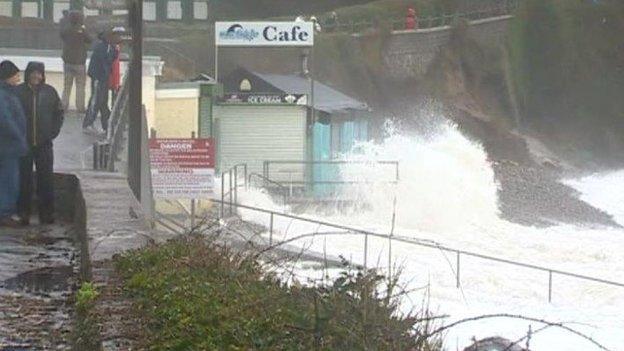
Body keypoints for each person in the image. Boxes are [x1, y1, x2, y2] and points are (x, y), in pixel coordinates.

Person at [16, 62, 64, 226]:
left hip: (44, 144)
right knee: (24, 179)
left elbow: (59, 113)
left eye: (39, 73)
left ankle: (47, 213)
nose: (36, 76)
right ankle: (23, 212)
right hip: (24, 144)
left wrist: (52, 133)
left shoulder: (50, 92)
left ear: (43, 75)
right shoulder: (19, 92)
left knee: (46, 179)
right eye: (33, 73)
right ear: (28, 74)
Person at [0, 61, 28, 228]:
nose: (18, 78)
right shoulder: (4, 95)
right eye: (16, 75)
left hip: (12, 145)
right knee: (9, 179)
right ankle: (5, 212)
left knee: (10, 178)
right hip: (8, 145)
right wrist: (18, 136)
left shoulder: (10, 93)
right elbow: (5, 120)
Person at [83, 28, 121, 134]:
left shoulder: (107, 46)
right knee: (96, 101)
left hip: (102, 78)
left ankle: (106, 125)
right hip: (99, 77)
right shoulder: (103, 47)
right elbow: (106, 61)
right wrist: (115, 52)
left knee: (103, 101)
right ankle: (88, 124)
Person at [61, 10, 92, 112]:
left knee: (67, 86)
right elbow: (89, 40)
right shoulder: (82, 30)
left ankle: (64, 106)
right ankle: (80, 107)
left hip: (68, 61)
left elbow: (62, 35)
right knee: (80, 86)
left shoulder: (66, 29)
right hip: (79, 62)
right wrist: (83, 28)